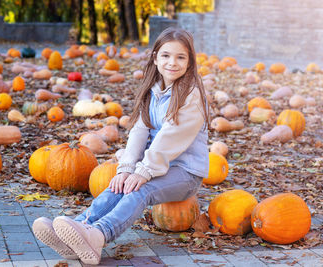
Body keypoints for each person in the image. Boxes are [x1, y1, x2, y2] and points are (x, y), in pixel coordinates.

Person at [32, 27, 210, 265]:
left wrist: (144, 171)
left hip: (185, 171)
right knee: (119, 184)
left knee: (140, 190)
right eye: (166, 55)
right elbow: (139, 129)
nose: (172, 62)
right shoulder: (152, 89)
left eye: (181, 57)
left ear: (190, 62)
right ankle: (80, 227)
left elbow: (171, 137)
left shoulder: (191, 95)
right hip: (156, 163)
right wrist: (127, 167)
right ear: (155, 57)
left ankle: (99, 235)